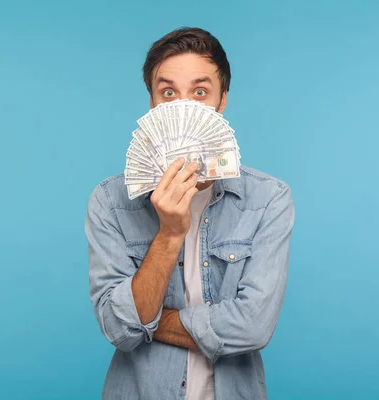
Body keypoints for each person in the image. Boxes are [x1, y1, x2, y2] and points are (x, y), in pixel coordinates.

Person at [85, 27, 295, 400]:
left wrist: (150, 322)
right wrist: (168, 234)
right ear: (152, 105)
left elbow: (254, 327)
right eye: (169, 93)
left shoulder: (268, 199)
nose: (184, 108)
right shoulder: (110, 201)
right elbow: (120, 330)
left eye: (200, 93)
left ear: (221, 102)